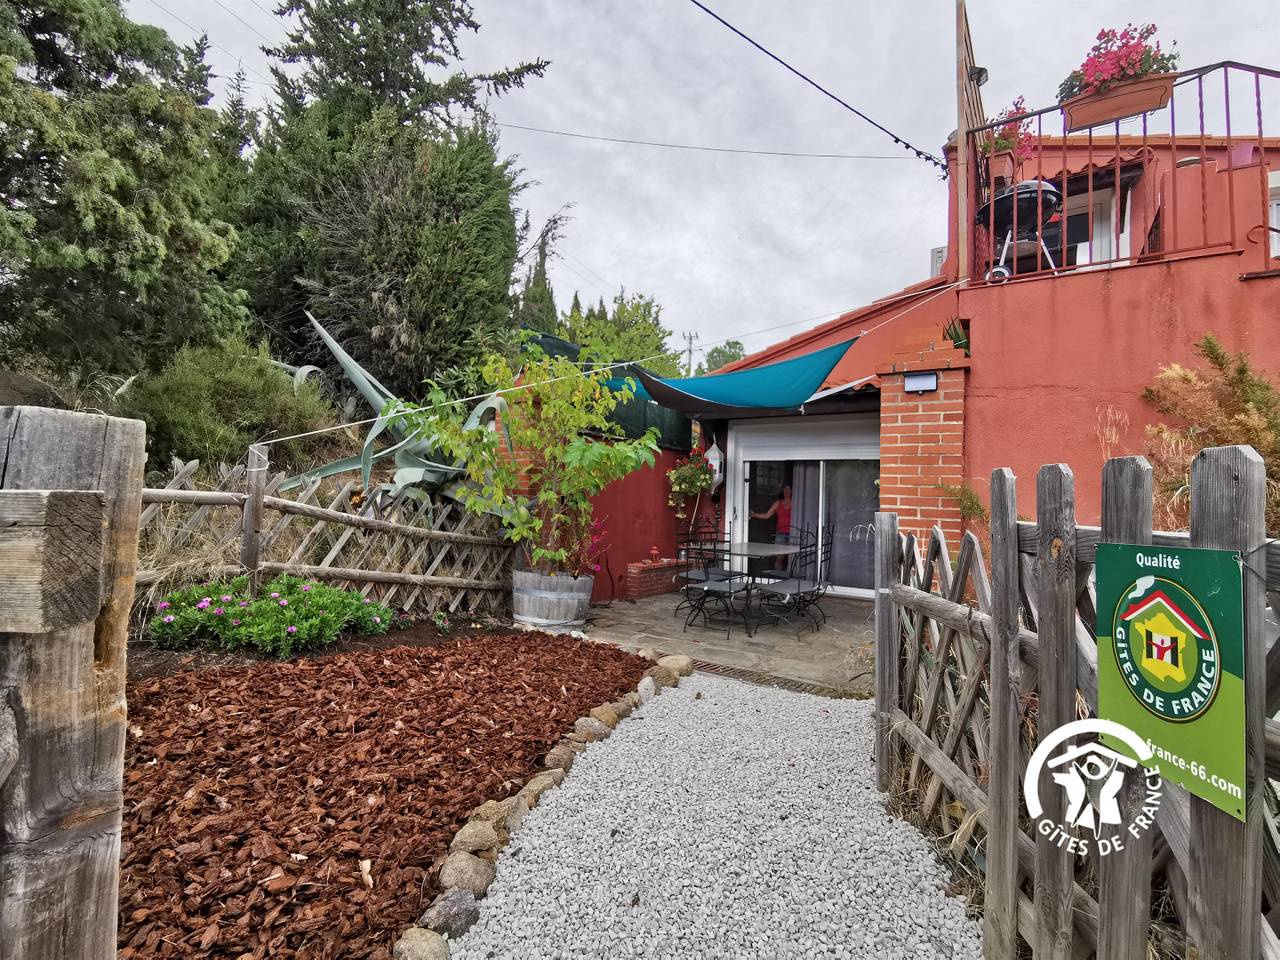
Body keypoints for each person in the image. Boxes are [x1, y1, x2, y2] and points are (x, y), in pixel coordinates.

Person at [751, 484, 792, 569]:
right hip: (781, 534)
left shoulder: (796, 502)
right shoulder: (778, 503)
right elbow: (767, 515)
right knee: (779, 558)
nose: (787, 490)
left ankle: (790, 576)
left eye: (789, 488)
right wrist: (754, 514)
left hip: (793, 534)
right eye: (785, 488)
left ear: (792, 490)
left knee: (792, 558)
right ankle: (777, 575)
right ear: (782, 490)